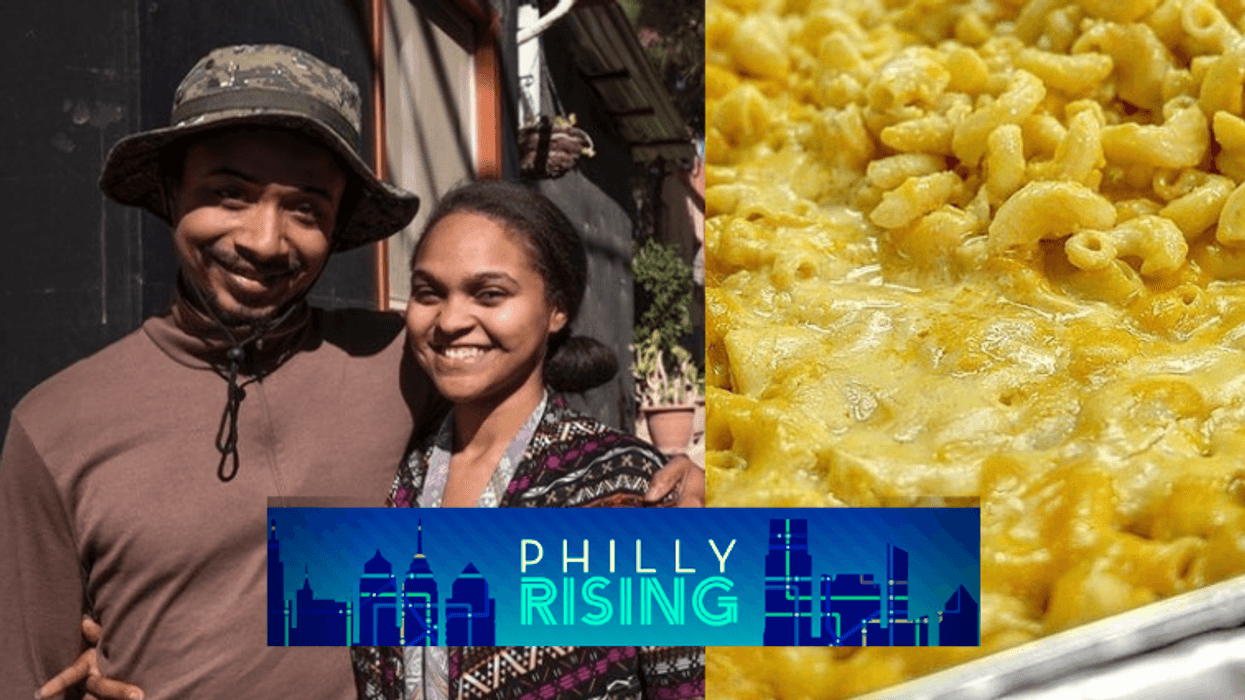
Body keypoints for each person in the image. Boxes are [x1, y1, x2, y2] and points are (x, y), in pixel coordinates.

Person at [0, 44, 704, 700]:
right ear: (170, 192)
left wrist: (702, 514)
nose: (264, 240)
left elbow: (494, 571)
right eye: (230, 194)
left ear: (335, 228)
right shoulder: (58, 426)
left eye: (305, 209)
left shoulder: (399, 364)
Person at [349, 180, 705, 700]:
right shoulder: (399, 478)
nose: (450, 320)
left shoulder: (625, 488)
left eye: (490, 294)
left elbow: (687, 682)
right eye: (429, 293)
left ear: (557, 307)